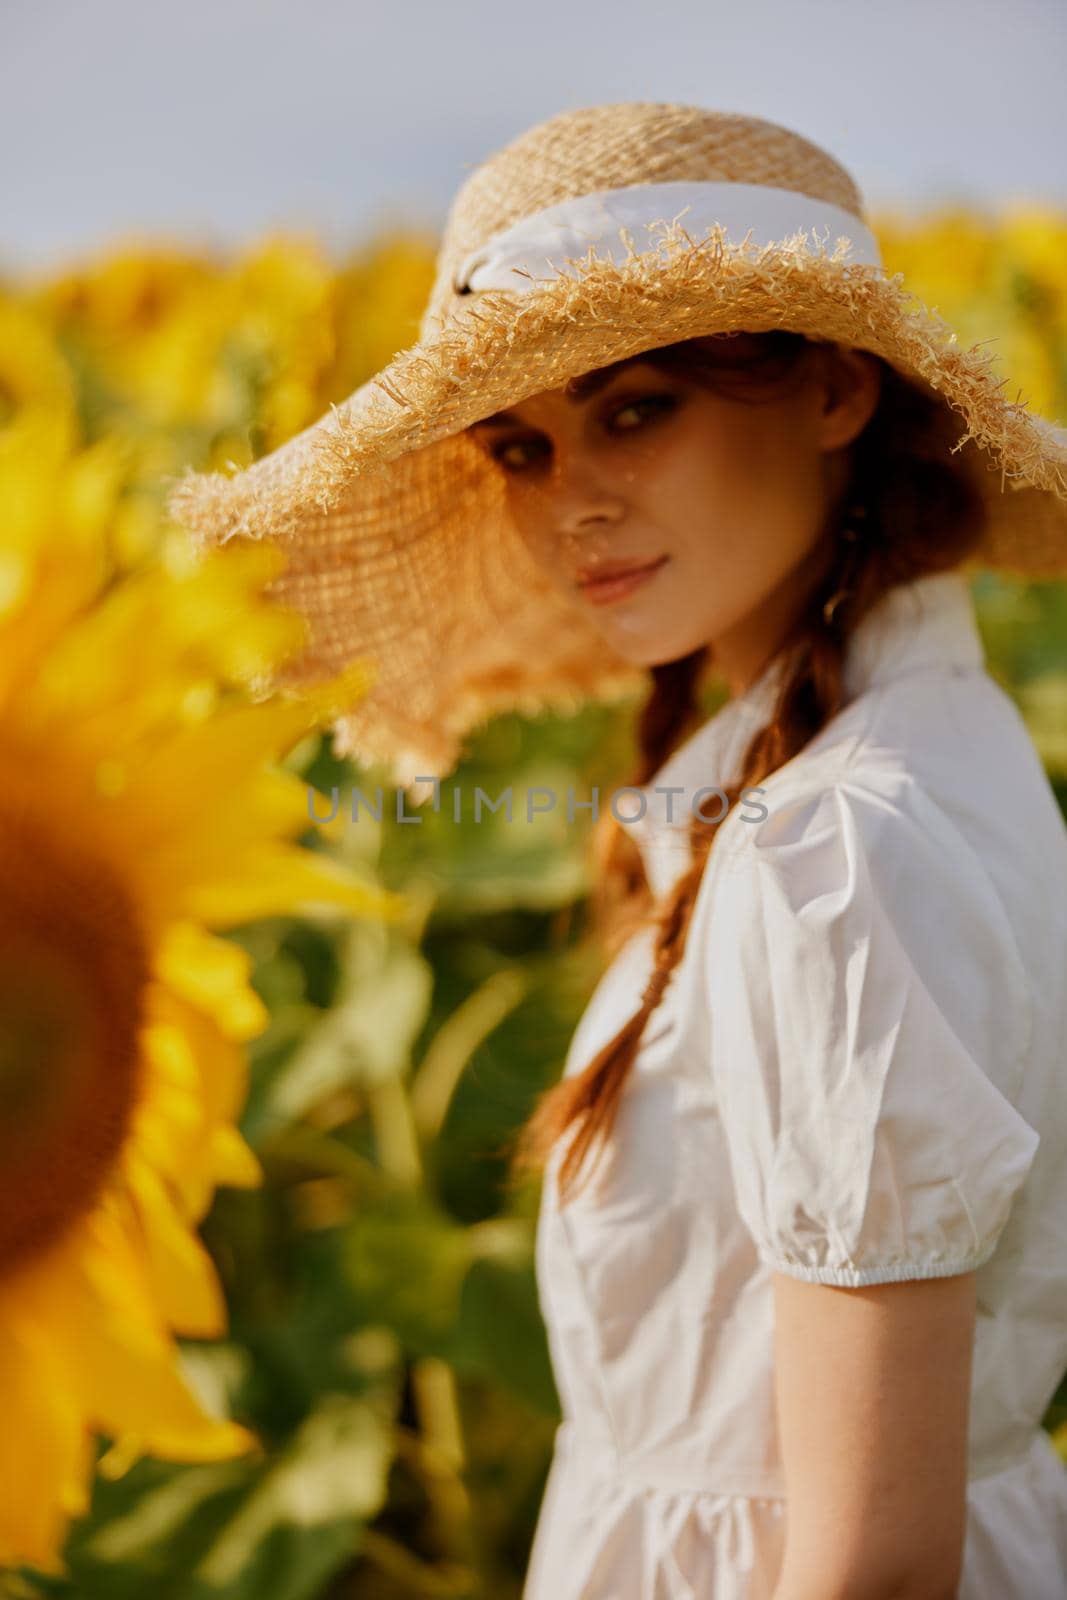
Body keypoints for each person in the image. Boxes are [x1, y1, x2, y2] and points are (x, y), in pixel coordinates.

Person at [166, 102, 1067, 1599]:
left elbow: (872, 1569)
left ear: (838, 391)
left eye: (636, 409)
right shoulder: (919, 758)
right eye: (520, 445)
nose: (570, 499)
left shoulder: (832, 851)